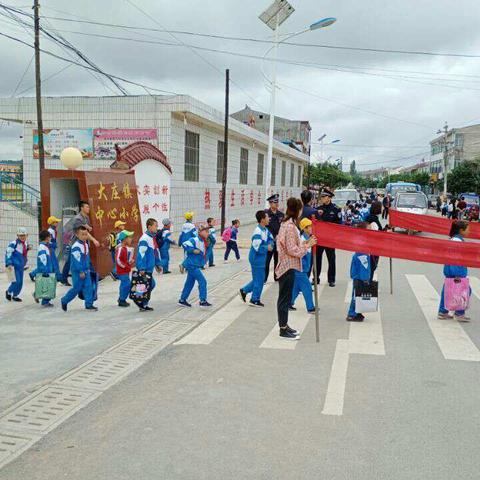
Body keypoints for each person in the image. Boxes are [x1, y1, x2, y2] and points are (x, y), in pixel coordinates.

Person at [275, 197, 317, 340]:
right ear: (297, 210)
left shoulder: (287, 224)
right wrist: (307, 246)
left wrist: (307, 242)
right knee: (284, 300)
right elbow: (292, 249)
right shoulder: (290, 227)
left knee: (286, 298)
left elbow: (295, 244)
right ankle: (282, 329)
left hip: (289, 265)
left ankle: (285, 326)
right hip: (287, 266)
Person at [438, 220, 471, 321]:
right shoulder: (457, 241)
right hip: (456, 270)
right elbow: (455, 258)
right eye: (468, 229)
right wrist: (457, 274)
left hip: (451, 269)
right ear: (461, 230)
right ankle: (459, 313)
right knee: (465, 290)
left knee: (448, 290)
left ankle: (443, 312)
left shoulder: (454, 239)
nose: (469, 232)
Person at [239, 210, 274, 307]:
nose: (269, 219)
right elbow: (257, 247)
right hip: (256, 258)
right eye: (267, 217)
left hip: (261, 258)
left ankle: (244, 290)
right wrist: (267, 247)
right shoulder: (258, 231)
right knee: (260, 279)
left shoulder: (265, 230)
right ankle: (254, 299)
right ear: (262, 219)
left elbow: (271, 239)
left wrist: (270, 244)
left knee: (259, 278)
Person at [61, 201, 100, 286]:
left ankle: (93, 274)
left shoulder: (86, 218)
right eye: (86, 207)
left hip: (82, 243)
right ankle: (64, 278)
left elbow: (87, 230)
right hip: (75, 244)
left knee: (86, 259)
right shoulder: (78, 219)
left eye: (89, 207)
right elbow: (85, 232)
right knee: (70, 261)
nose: (88, 209)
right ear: (81, 208)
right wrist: (93, 240)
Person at [61, 226, 97, 312]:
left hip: (86, 270)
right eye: (82, 234)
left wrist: (88, 268)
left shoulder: (85, 244)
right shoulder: (76, 246)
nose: (84, 236)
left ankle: (89, 304)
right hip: (78, 272)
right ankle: (64, 300)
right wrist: (81, 271)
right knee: (76, 288)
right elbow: (77, 261)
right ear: (77, 235)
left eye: (86, 234)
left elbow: (87, 258)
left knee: (88, 287)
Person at [178, 225, 212, 308]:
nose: (208, 233)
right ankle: (202, 301)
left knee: (189, 283)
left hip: (194, 265)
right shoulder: (195, 239)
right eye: (206, 231)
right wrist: (193, 250)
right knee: (202, 281)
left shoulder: (204, 241)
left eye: (208, 231)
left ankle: (182, 300)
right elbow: (184, 244)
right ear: (200, 232)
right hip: (192, 265)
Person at [315, 188, 341, 287]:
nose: (322, 198)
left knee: (331, 259)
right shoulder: (318, 209)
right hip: (320, 238)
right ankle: (316, 278)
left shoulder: (336, 209)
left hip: (330, 239)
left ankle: (331, 279)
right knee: (317, 259)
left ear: (329, 198)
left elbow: (339, 225)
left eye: (324, 196)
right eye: (321, 196)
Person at [347, 222, 372, 322]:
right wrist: (365, 278)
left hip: (359, 274)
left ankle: (358, 312)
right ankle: (351, 314)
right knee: (356, 295)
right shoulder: (362, 245)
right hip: (359, 276)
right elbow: (363, 264)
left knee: (359, 294)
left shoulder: (362, 241)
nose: (371, 230)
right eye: (369, 228)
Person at [136, 218, 162, 311]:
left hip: (149, 268)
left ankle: (142, 303)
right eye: (155, 226)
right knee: (147, 285)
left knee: (147, 285)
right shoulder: (144, 239)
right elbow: (141, 254)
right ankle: (141, 303)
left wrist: (157, 264)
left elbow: (155, 252)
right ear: (149, 226)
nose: (157, 228)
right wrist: (142, 267)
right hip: (145, 268)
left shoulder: (152, 237)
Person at [289, 218, 315, 314]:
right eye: (309, 226)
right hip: (300, 268)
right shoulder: (302, 239)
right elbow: (301, 251)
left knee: (296, 288)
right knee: (307, 288)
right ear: (304, 228)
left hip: (302, 268)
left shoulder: (306, 238)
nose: (311, 228)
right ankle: (311, 307)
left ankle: (288, 303)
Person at [5, 227, 29, 302]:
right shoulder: (13, 243)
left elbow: (23, 254)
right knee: (16, 281)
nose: (22, 237)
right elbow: (8, 253)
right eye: (20, 235)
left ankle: (15, 295)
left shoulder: (25, 243)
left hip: (21, 266)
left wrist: (25, 263)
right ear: (17, 235)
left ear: (26, 235)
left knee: (20, 282)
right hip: (13, 266)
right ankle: (8, 291)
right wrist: (8, 262)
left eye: (24, 235)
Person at [264, 194, 285, 282]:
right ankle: (264, 278)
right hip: (269, 242)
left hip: (279, 241)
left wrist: (279, 236)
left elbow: (283, 227)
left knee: (277, 260)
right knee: (267, 261)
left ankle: (277, 277)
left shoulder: (281, 214)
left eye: (277, 202)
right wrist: (272, 236)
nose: (276, 204)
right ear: (270, 203)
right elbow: (264, 228)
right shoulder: (266, 214)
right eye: (274, 202)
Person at [35, 230, 56, 307]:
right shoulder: (42, 247)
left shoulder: (45, 246)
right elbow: (43, 260)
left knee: (44, 284)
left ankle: (36, 294)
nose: (50, 238)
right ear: (47, 238)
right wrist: (45, 270)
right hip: (45, 269)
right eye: (50, 237)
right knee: (48, 285)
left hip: (47, 268)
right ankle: (45, 301)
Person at [116, 230, 135, 307]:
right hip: (122, 271)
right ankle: (122, 299)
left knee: (124, 284)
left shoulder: (125, 248)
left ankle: (122, 298)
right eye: (129, 237)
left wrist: (130, 262)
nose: (131, 239)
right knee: (126, 284)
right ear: (124, 239)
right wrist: (125, 266)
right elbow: (118, 259)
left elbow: (125, 259)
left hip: (125, 270)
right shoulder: (121, 248)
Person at [365, 200, 383, 281]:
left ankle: (368, 282)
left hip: (372, 246)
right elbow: (376, 233)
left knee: (371, 266)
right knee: (372, 266)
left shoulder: (372, 217)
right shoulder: (373, 219)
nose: (382, 208)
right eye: (381, 207)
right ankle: (368, 284)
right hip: (372, 247)